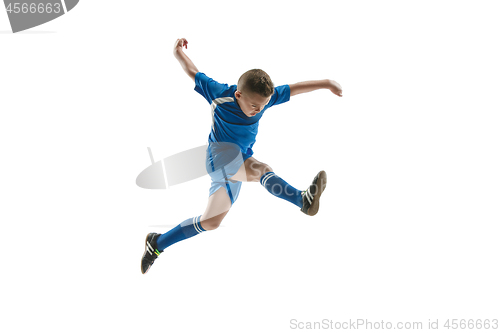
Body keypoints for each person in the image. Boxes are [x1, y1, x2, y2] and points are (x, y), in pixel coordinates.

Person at [141, 38, 343, 274]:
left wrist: (327, 83)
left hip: (237, 166)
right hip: (219, 158)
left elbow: (294, 88)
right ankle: (301, 200)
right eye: (254, 106)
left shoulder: (263, 100)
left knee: (210, 222)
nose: (258, 110)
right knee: (262, 169)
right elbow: (193, 71)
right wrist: (177, 52)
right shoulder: (219, 94)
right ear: (238, 95)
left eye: (263, 105)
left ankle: (156, 244)